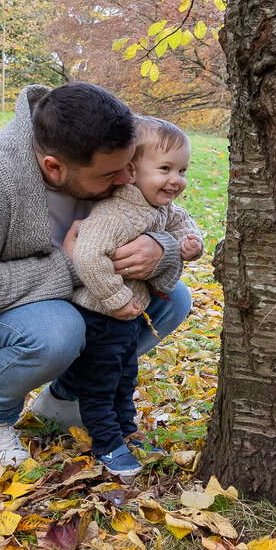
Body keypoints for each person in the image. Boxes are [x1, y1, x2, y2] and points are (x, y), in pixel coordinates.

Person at [0, 83, 193, 468]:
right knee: (59, 329)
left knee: (173, 299)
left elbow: (161, 211)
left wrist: (160, 246)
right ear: (54, 166)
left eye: (129, 167)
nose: (125, 180)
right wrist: (69, 265)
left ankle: (65, 399)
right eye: (112, 174)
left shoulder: (107, 142)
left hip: (81, 296)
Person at [56, 117, 204, 476]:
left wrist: (190, 242)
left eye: (182, 170)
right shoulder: (117, 213)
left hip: (126, 316)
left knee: (125, 377)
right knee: (101, 384)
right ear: (132, 171)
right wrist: (115, 298)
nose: (176, 180)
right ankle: (107, 444)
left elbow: (181, 221)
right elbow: (88, 256)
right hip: (102, 315)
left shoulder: (157, 207)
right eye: (165, 168)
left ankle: (126, 430)